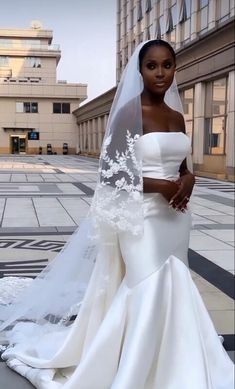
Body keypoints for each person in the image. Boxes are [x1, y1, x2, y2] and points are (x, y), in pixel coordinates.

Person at [0, 40, 233, 389]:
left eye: (167, 65)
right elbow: (111, 174)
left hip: (175, 217)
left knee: (174, 282)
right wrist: (161, 187)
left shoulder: (175, 115)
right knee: (146, 285)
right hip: (140, 218)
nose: (160, 73)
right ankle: (133, 367)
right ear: (140, 71)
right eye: (151, 66)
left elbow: (182, 164)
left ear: (174, 68)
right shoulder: (128, 112)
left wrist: (189, 179)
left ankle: (175, 362)